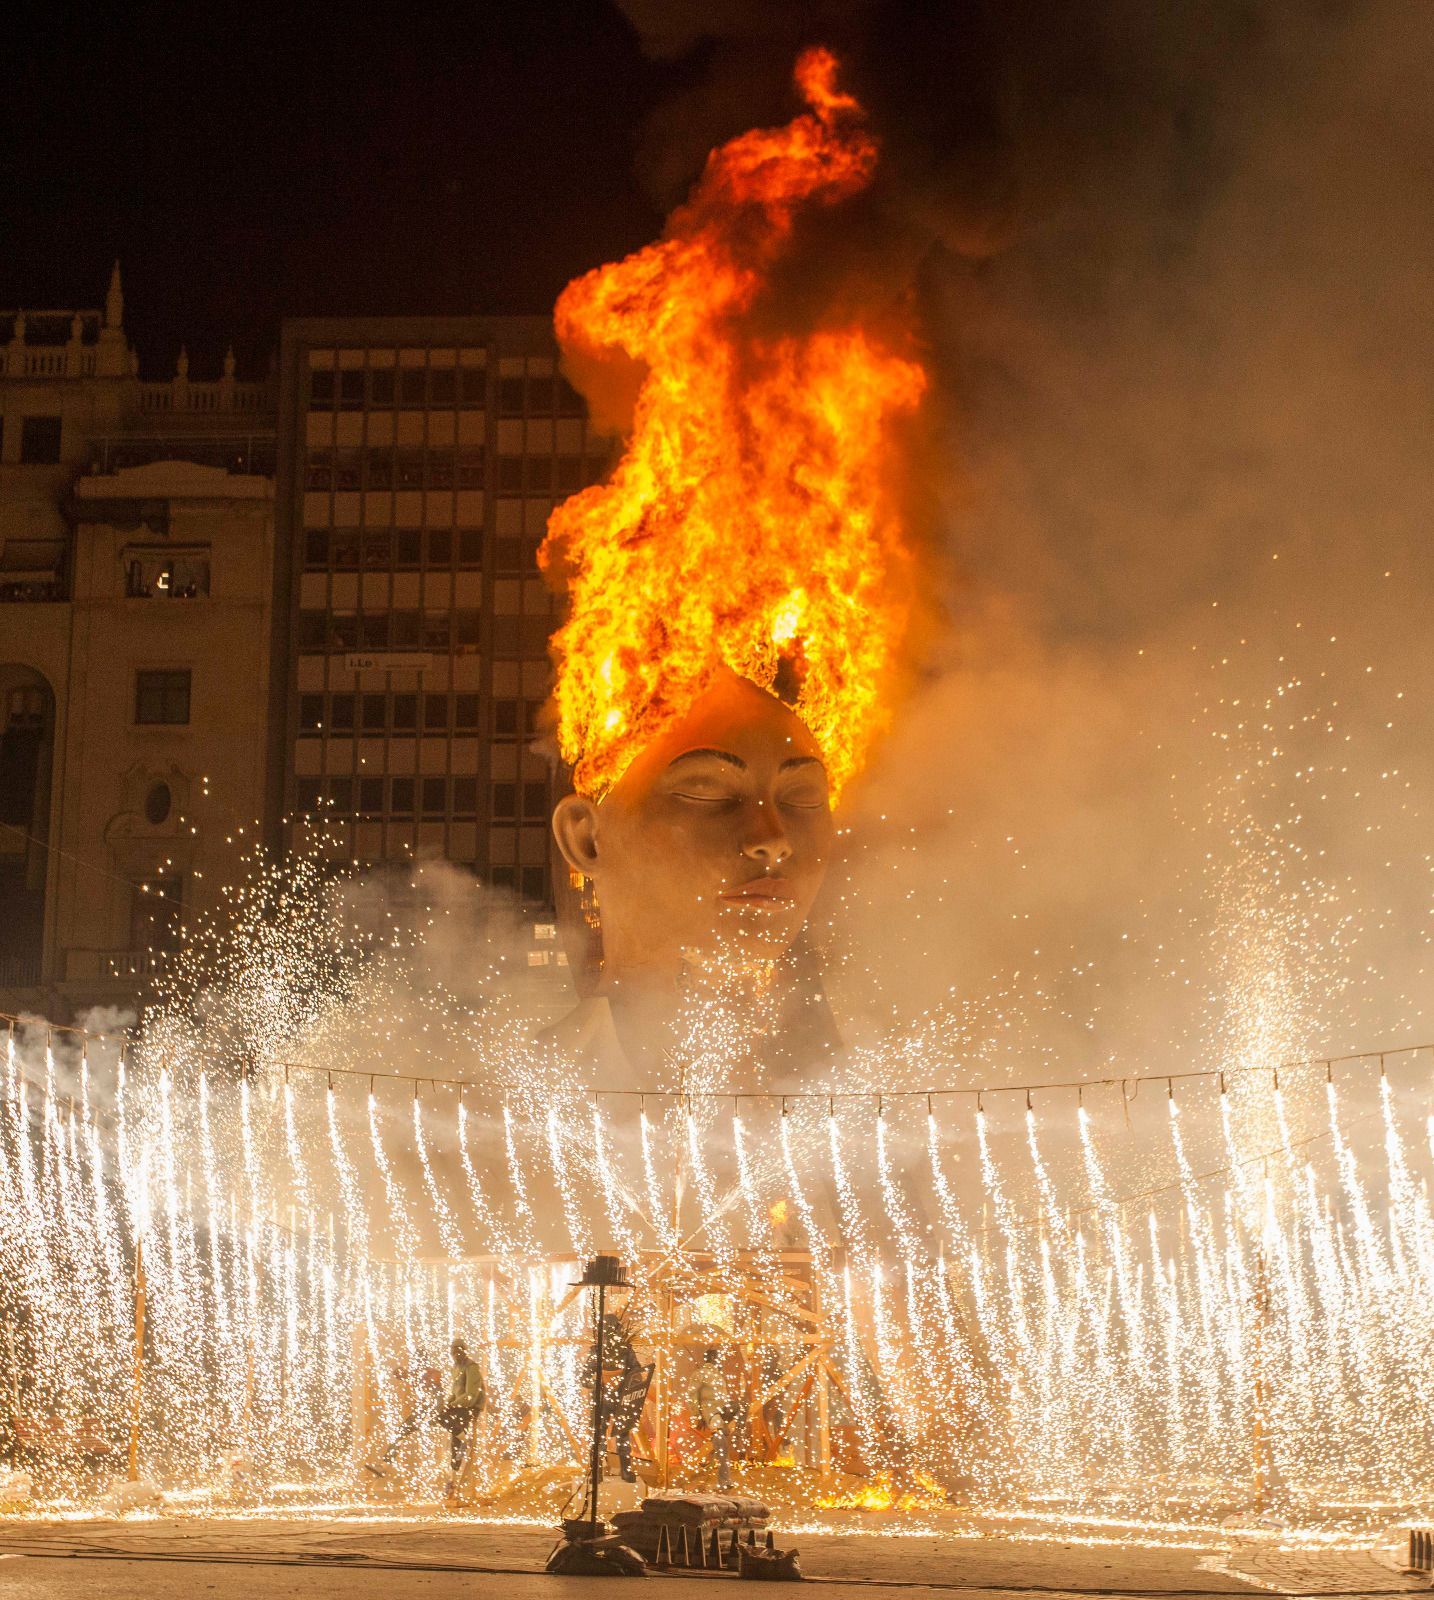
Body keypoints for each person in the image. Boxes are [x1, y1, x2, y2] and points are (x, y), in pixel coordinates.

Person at [440, 1338, 487, 1493]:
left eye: (458, 1351)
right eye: (453, 1351)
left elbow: (471, 1395)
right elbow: (455, 1392)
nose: (455, 1354)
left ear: (464, 1351)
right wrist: (448, 1403)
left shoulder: (471, 1367)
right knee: (442, 1421)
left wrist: (452, 1405)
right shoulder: (456, 1367)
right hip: (459, 1405)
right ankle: (462, 1439)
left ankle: (453, 1479)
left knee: (456, 1442)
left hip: (470, 1407)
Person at [690, 1347, 736, 1490]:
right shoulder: (700, 1374)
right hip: (711, 1414)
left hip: (721, 1414)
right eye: (716, 1357)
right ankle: (724, 1480)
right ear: (710, 1358)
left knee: (721, 1444)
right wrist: (697, 1416)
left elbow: (723, 1397)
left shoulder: (717, 1375)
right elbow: (692, 1396)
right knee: (720, 1443)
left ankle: (716, 1471)